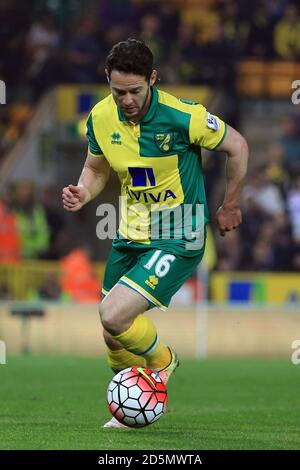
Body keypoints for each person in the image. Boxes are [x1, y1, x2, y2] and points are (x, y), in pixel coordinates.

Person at [62, 38, 248, 428]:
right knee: (113, 334)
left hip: (178, 233)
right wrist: (83, 191)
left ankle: (163, 362)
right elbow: (96, 169)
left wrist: (230, 203)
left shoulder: (184, 116)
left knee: (112, 314)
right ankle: (129, 411)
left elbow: (238, 146)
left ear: (153, 79)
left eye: (135, 91)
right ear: (107, 83)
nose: (126, 100)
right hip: (129, 231)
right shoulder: (99, 117)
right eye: (118, 92)